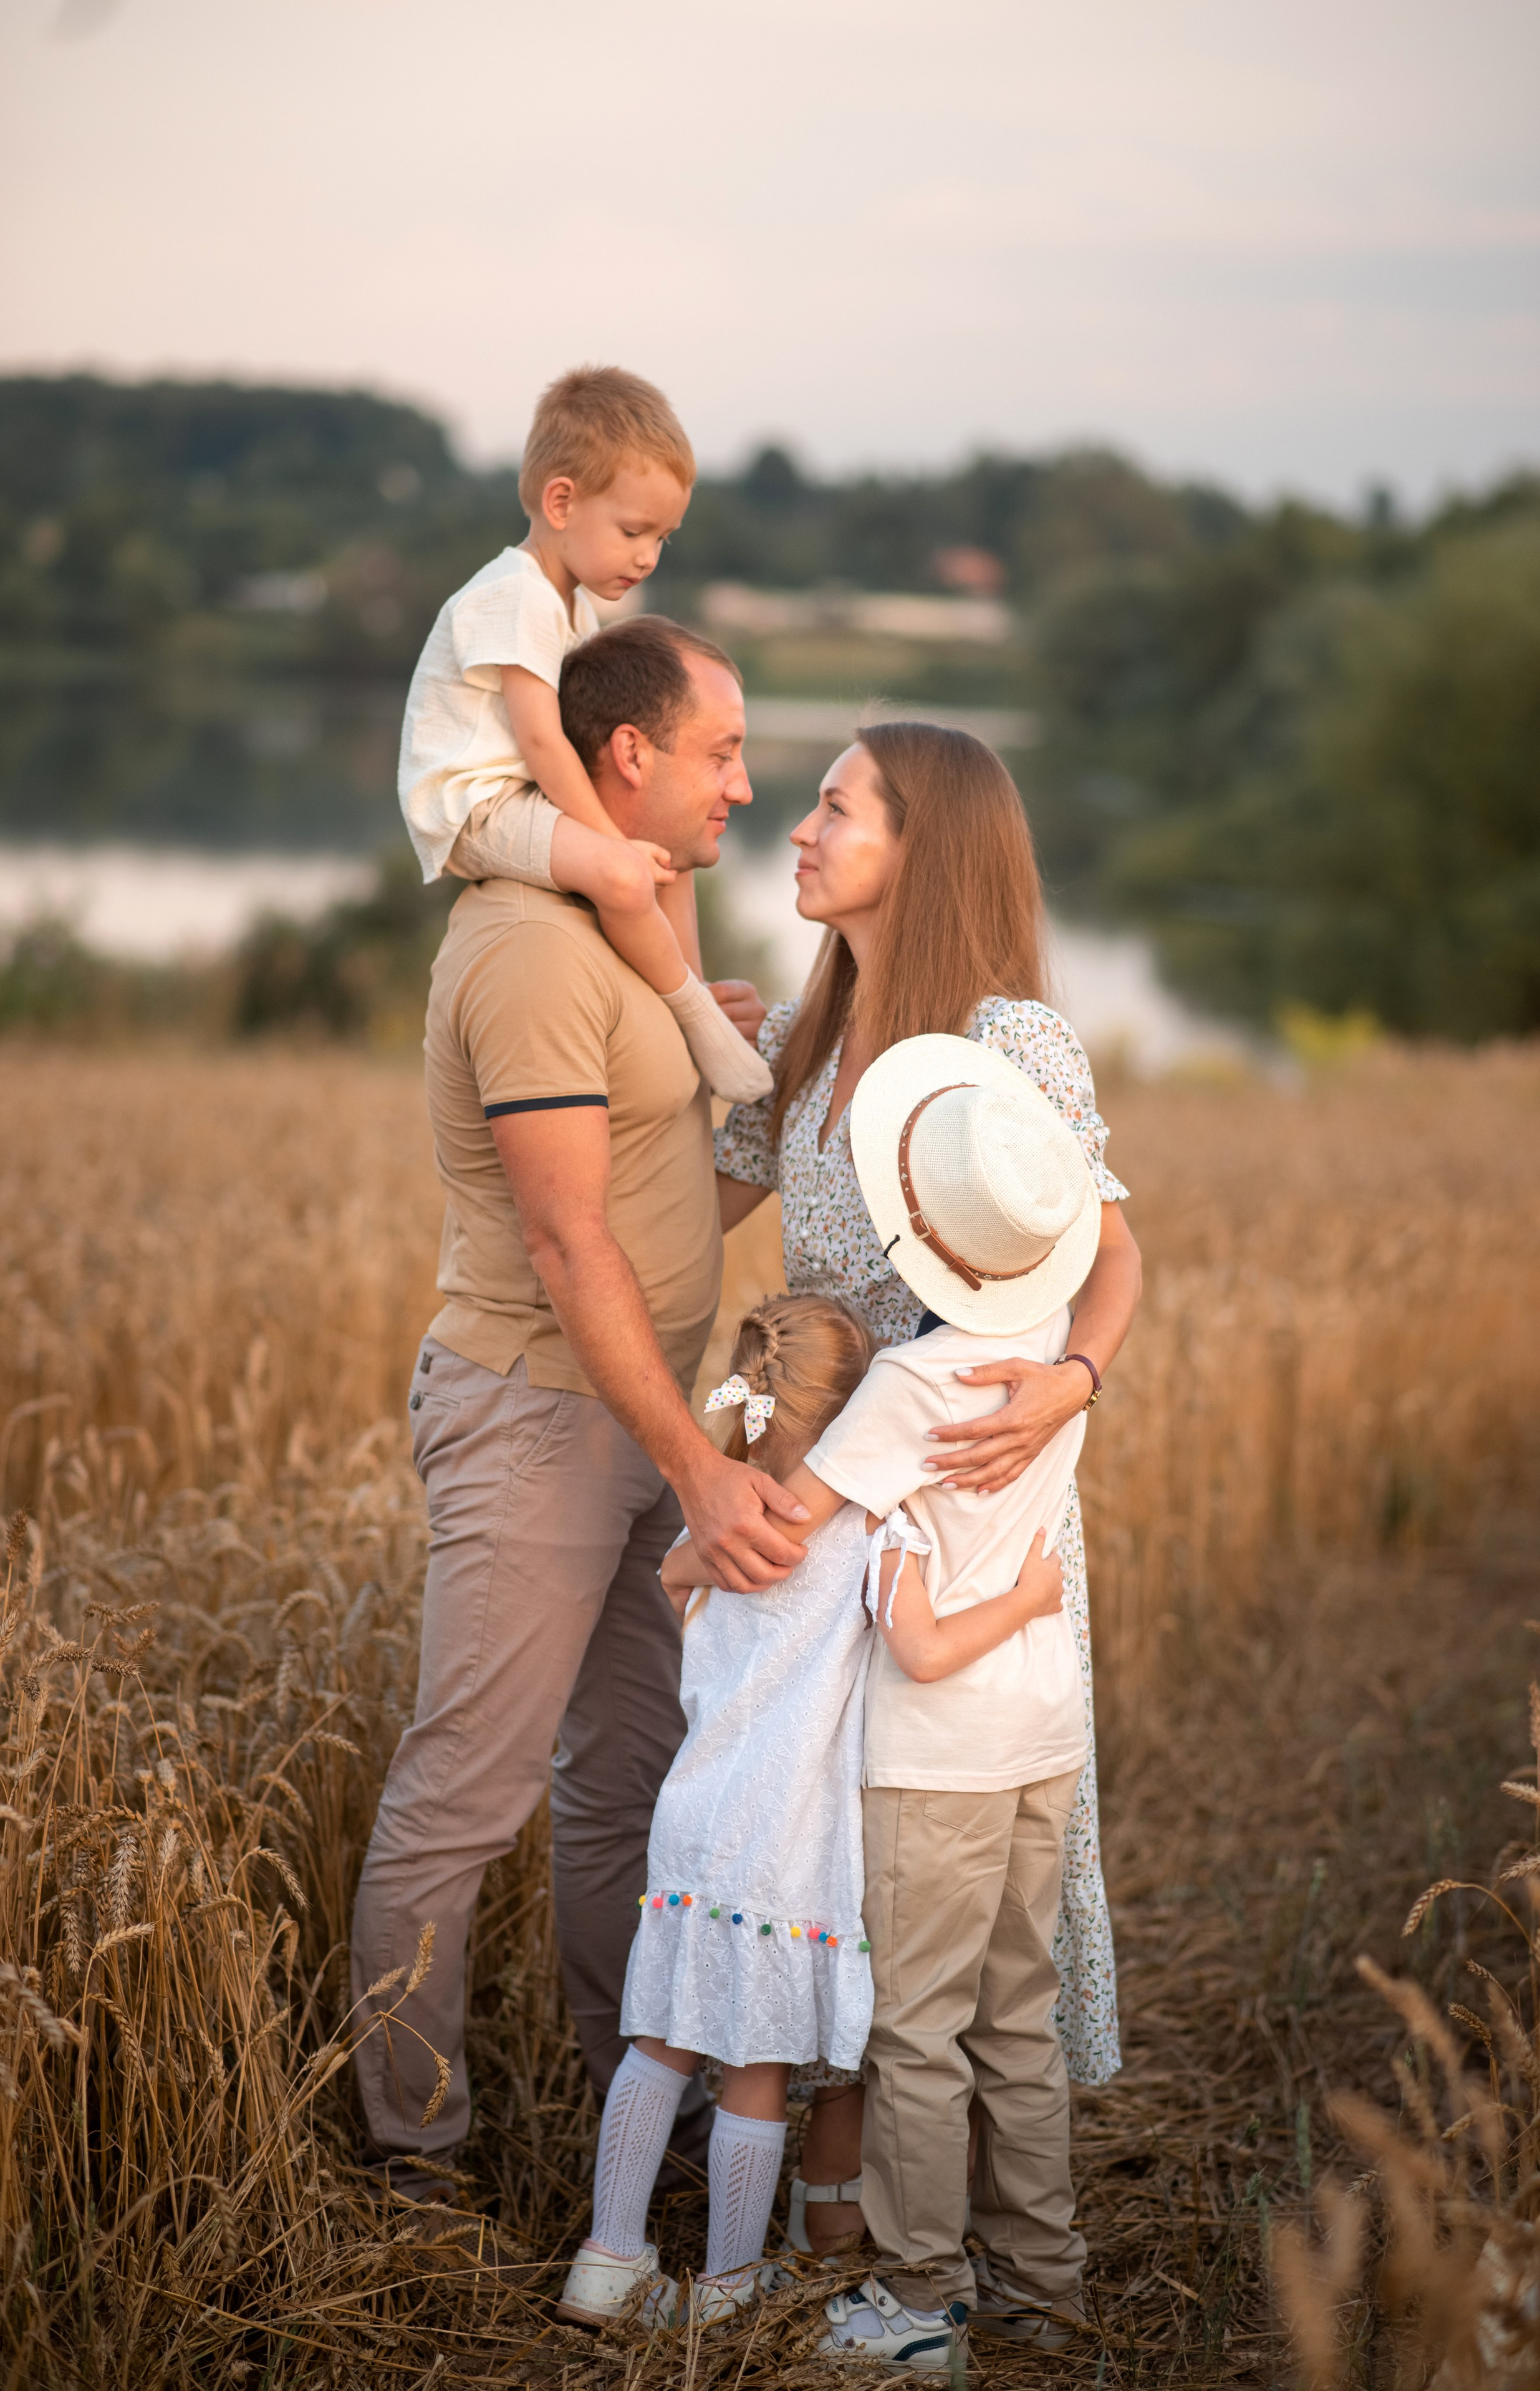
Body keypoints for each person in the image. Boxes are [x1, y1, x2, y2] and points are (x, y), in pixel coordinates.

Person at [350, 616, 809, 2206]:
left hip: (633, 1414)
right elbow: (566, 1239)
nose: (743, 785)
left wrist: (784, 1067)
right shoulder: (536, 948)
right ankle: (412, 2152)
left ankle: (635, 2090)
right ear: (627, 754)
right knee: (462, 1794)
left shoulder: (623, 936)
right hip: (541, 1416)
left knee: (629, 1778)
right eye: (720, 751)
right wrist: (697, 1465)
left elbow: (674, 1198)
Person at [713, 721, 1142, 2245]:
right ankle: (838, 2199)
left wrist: (1067, 1383)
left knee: (937, 1864)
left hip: (963, 1477)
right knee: (827, 1833)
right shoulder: (801, 1037)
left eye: (837, 808)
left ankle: (930, 2245)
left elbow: (1111, 1246)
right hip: (829, 1465)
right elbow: (693, 1196)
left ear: (924, 844)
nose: (801, 828)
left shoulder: (1005, 1036)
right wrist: (674, 1034)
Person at [556, 1289, 1074, 2338]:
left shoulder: (720, 1532)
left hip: (694, 1823)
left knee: (659, 2041)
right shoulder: (870, 1535)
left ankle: (608, 2263)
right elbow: (922, 1649)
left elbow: (671, 1574)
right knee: (754, 2070)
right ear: (856, 1421)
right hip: (786, 1843)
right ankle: (729, 2284)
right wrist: (1027, 1600)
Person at [806, 1037, 1108, 2367]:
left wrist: (691, 1538)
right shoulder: (1048, 1361)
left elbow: (793, 1519)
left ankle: (921, 2297)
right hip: (1040, 1738)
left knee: (914, 2032)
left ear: (913, 1228)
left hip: (931, 1761)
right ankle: (1044, 2282)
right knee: (1015, 2022)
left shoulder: (908, 1385)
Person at [397, 362, 769, 1104]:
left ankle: (682, 994)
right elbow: (542, 743)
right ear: (561, 501)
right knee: (628, 872)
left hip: (519, 795)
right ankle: (696, 1018)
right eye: (634, 531)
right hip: (476, 805)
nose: (648, 557)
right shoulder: (517, 595)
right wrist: (606, 841)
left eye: (664, 538)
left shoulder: (569, 606)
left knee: (660, 857)